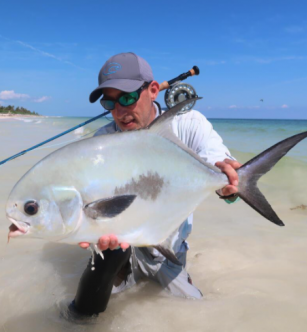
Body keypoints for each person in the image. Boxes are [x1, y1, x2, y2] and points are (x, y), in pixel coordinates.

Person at [68, 52, 241, 318]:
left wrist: (227, 184)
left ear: (152, 91)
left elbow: (217, 160)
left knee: (200, 315)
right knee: (80, 314)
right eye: (109, 103)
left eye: (127, 98)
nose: (120, 111)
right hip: (119, 251)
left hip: (168, 254)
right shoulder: (103, 139)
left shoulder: (188, 125)